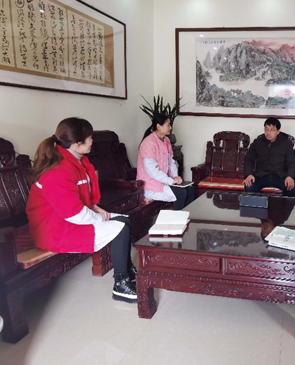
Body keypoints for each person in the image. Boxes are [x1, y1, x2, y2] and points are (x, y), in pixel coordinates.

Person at [26, 118, 137, 303]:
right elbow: (73, 214)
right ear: (77, 144)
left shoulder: (76, 161)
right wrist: (100, 218)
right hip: (53, 229)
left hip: (67, 218)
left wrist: (95, 208)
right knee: (119, 229)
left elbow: (79, 198)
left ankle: (127, 270)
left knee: (124, 220)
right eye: (90, 137)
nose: (92, 140)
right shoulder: (59, 170)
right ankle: (121, 285)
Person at [137, 113, 194, 210]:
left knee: (190, 189)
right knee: (181, 193)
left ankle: (187, 217)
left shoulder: (166, 140)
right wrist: (171, 181)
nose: (170, 127)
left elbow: (171, 161)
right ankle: (176, 219)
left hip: (164, 182)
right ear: (158, 126)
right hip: (151, 186)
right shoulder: (149, 143)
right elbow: (152, 171)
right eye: (168, 125)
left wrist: (175, 176)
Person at [243, 117, 295, 196]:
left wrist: (290, 176)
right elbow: (248, 159)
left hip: (280, 176)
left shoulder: (286, 143)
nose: (268, 133)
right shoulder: (258, 142)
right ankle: (258, 204)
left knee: (291, 187)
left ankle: (283, 204)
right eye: (266, 129)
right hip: (261, 176)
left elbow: (292, 162)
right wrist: (249, 174)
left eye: (272, 130)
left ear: (278, 131)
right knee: (249, 186)